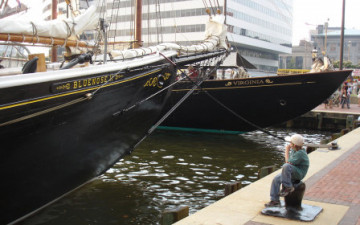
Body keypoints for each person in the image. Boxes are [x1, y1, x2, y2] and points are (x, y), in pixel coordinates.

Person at [265, 134, 309, 207]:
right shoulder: (295, 151)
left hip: (299, 173)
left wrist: (287, 150)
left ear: (294, 145)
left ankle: (288, 187)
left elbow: (287, 163)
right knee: (276, 179)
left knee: (286, 166)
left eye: (291, 143)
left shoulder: (300, 154)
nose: (289, 145)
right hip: (292, 171)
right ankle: (275, 200)